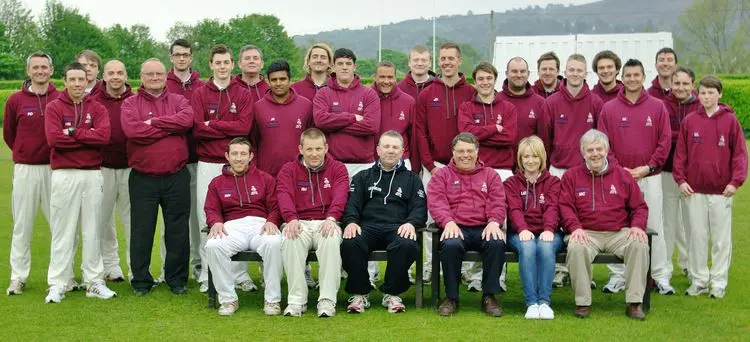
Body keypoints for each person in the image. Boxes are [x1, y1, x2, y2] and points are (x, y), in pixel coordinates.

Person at [597, 58, 673, 295]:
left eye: (636, 75)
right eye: (627, 75)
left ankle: (659, 275)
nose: (631, 79)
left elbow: (665, 141)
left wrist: (648, 167)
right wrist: (619, 170)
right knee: (617, 226)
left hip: (649, 177)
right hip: (618, 178)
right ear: (622, 76)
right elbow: (602, 143)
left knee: (653, 226)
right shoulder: (609, 108)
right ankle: (618, 276)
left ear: (643, 76)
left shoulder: (658, 106)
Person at [560, 129, 650, 320]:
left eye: (599, 149)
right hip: (586, 232)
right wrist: (575, 227)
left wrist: (637, 226)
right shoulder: (571, 176)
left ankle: (634, 303)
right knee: (576, 248)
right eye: (590, 150)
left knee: (639, 244)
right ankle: (582, 303)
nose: (595, 154)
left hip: (618, 232)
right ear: (582, 153)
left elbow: (640, 207)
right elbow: (565, 207)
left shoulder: (623, 176)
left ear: (607, 150)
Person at [121, 58, 193, 296]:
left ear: (166, 76)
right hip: (143, 178)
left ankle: (176, 279)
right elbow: (133, 131)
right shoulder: (130, 103)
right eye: (150, 74)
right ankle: (141, 281)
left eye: (159, 74)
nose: (155, 78)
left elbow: (186, 121)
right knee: (141, 231)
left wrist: (154, 123)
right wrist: (168, 129)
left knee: (178, 231)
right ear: (141, 77)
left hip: (176, 176)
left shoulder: (179, 100)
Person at [44, 62, 114, 303]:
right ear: (65, 81)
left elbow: (103, 137)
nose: (77, 84)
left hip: (92, 174)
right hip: (64, 175)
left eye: (81, 79)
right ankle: (58, 283)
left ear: (87, 81)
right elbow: (54, 139)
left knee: (93, 229)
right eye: (72, 79)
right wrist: (87, 136)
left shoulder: (98, 107)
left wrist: (72, 132)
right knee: (63, 231)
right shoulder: (54, 107)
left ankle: (94, 281)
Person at [673, 76, 747, 299]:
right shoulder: (690, 121)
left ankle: (718, 282)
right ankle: (699, 281)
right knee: (697, 237)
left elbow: (740, 155)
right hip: (694, 190)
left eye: (711, 93)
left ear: (720, 94)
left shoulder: (730, 121)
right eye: (703, 93)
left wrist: (735, 182)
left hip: (722, 192)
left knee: (721, 240)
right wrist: (681, 180)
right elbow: (681, 155)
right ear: (698, 94)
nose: (706, 97)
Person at [341, 131, 427, 314]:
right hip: (367, 226)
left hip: (398, 226)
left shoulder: (412, 178)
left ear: (402, 151)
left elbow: (420, 207)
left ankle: (392, 293)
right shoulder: (362, 177)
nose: (390, 151)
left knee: (407, 244)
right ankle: (360, 292)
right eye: (386, 146)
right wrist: (351, 221)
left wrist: (411, 223)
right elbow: (352, 204)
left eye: (395, 147)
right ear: (378, 149)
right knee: (350, 242)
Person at [538, 53, 603, 288]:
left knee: (584, 220)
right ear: (564, 72)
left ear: (586, 73)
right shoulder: (552, 102)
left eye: (579, 70)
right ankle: (558, 270)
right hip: (557, 169)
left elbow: (600, 139)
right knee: (557, 219)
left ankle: (585, 271)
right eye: (571, 70)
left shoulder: (595, 102)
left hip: (586, 171)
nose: (575, 74)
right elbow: (545, 139)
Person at [192, 44, 254, 292]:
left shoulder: (243, 93)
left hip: (237, 165)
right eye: (217, 63)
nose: (222, 67)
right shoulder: (199, 93)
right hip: (208, 163)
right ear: (211, 65)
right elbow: (197, 129)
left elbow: (244, 128)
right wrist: (227, 125)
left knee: (238, 217)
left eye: (226, 62)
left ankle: (240, 275)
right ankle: (209, 274)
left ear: (232, 64)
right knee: (206, 217)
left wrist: (213, 124)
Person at [414, 42, 475, 283]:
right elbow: (420, 131)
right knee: (432, 218)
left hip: (466, 167)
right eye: (443, 58)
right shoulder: (428, 92)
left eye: (451, 58)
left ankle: (466, 270)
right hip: (435, 167)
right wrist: (429, 165)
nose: (447, 62)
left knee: (468, 216)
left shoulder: (470, 92)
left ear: (459, 61)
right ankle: (431, 266)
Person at [428, 132, 506, 317]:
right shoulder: (442, 176)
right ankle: (451, 297)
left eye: (470, 151)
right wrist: (447, 221)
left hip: (483, 227)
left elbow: (498, 201)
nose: (465, 155)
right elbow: (436, 201)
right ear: (453, 152)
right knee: (451, 245)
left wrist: (494, 221)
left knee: (496, 243)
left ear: (477, 152)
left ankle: (489, 296)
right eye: (460, 151)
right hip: (455, 226)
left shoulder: (490, 175)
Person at [204, 137, 282, 316]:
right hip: (232, 227)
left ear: (251, 156)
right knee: (213, 245)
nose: (239, 158)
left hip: (260, 225)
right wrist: (215, 221)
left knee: (274, 242)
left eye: (243, 154)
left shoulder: (265, 178)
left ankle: (272, 300)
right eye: (235, 154)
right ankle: (228, 299)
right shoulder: (216, 183)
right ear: (227, 156)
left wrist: (272, 220)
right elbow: (211, 208)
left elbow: (275, 206)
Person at [4, 51, 60, 295]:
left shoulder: (61, 97)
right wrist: (25, 152)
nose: (40, 71)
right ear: (28, 71)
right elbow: (10, 135)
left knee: (60, 225)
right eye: (35, 67)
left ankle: (61, 276)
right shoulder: (15, 100)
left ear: (51, 70)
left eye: (44, 67)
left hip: (56, 169)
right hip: (26, 169)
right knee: (22, 225)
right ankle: (18, 277)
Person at [277, 128, 349, 317]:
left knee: (331, 238)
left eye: (318, 149)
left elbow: (340, 197)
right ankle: (296, 300)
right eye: (309, 149)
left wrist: (332, 218)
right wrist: (290, 218)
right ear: (300, 149)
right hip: (299, 221)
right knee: (290, 238)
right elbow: (283, 195)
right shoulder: (288, 169)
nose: (314, 154)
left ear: (326, 147)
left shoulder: (338, 168)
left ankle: (326, 300)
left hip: (327, 221)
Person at [504, 135, 562, 320]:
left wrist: (549, 229)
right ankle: (531, 303)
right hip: (520, 232)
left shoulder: (553, 182)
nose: (530, 161)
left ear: (542, 158)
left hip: (548, 231)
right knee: (528, 247)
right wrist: (522, 229)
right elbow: (514, 209)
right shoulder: (511, 183)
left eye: (535, 156)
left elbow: (553, 208)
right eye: (526, 156)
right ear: (520, 159)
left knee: (545, 247)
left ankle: (544, 302)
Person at [166, 38, 205, 282]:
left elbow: (196, 123)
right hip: (172, 162)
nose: (182, 58)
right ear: (171, 57)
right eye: (177, 54)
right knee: (173, 219)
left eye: (186, 54)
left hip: (198, 159)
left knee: (198, 217)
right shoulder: (163, 85)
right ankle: (169, 268)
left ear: (191, 57)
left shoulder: (201, 86)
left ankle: (200, 264)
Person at [94, 60, 134, 282]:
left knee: (132, 222)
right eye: (111, 73)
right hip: (103, 168)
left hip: (130, 168)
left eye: (120, 72)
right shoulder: (94, 100)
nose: (116, 76)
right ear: (104, 76)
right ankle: (108, 267)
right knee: (102, 220)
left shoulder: (136, 99)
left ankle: (134, 269)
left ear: (126, 75)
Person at [313, 47, 381, 179]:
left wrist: (334, 126)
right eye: (340, 63)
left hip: (364, 165)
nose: (344, 67)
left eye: (348, 64)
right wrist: (352, 117)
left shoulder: (369, 94)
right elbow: (320, 121)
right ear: (333, 67)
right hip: (333, 164)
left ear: (354, 66)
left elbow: (372, 126)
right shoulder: (323, 93)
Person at [661, 67, 699, 280]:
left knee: (691, 222)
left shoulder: (700, 106)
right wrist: (685, 135)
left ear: (692, 85)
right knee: (668, 222)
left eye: (685, 83)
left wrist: (678, 136)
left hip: (691, 176)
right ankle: (665, 269)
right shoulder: (663, 106)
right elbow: (663, 136)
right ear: (671, 84)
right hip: (667, 172)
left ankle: (691, 267)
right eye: (677, 83)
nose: (681, 88)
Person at [253, 59, 313, 176]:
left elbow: (312, 140)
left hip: (299, 174)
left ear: (290, 80)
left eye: (283, 79)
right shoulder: (258, 107)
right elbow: (253, 143)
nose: (278, 83)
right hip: (267, 175)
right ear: (268, 82)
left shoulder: (306, 105)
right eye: (274, 80)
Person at [499, 57, 545, 162]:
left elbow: (543, 139)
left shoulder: (540, 103)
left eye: (522, 71)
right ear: (506, 73)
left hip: (529, 166)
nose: (519, 75)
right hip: (502, 165)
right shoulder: (496, 100)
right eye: (514, 71)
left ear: (528, 73)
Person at [373, 61, 416, 170]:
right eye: (382, 77)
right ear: (375, 77)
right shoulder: (366, 98)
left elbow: (413, 136)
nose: (386, 81)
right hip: (373, 161)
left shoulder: (408, 101)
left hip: (401, 161)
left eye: (390, 77)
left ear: (395, 78)